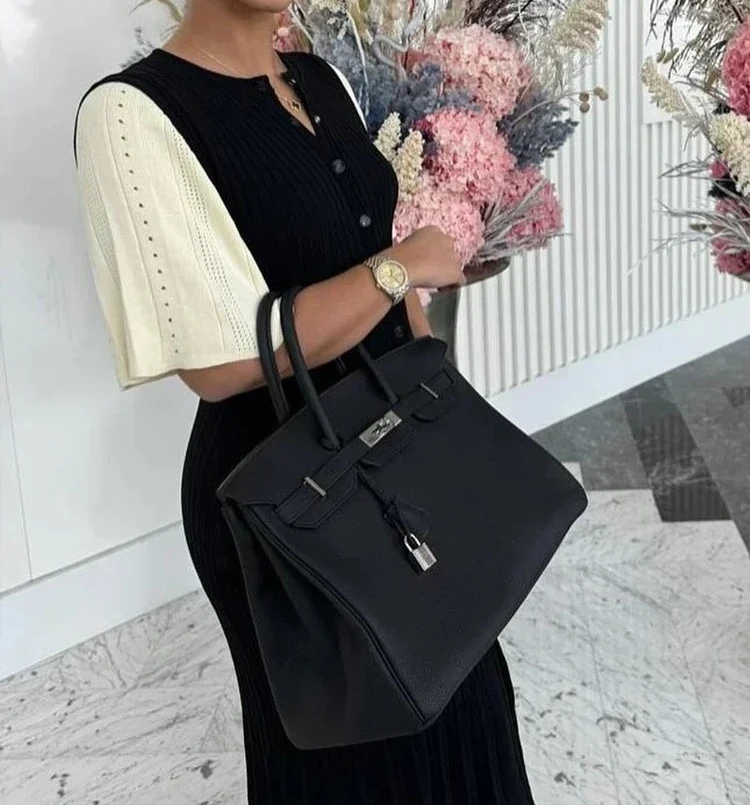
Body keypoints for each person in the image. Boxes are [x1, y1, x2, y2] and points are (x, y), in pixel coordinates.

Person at [74, 0, 536, 801]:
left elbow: (374, 249)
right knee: (359, 753)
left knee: (467, 700)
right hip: (287, 493)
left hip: (397, 451)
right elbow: (220, 363)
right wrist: (402, 266)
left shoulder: (320, 79)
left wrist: (437, 389)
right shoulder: (131, 113)